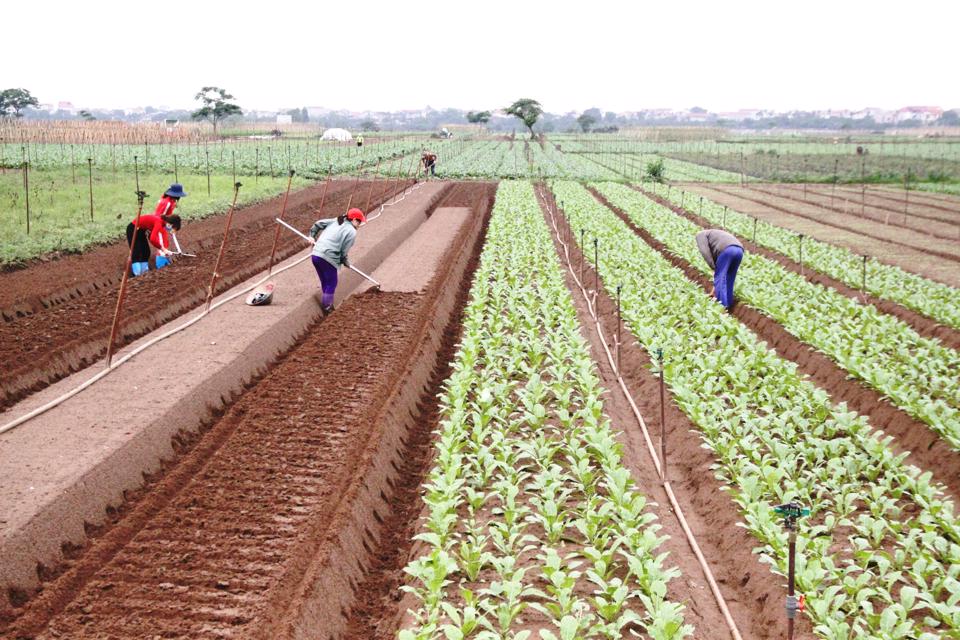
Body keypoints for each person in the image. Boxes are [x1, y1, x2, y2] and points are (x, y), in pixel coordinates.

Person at [309, 207, 366, 315]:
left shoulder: (336, 221)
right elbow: (344, 251)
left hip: (316, 255)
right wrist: (345, 261)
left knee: (325, 281)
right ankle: (327, 308)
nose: (360, 224)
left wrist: (312, 235)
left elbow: (318, 224)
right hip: (328, 258)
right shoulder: (351, 232)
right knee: (332, 282)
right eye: (359, 222)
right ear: (353, 220)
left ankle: (326, 304)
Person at [695, 229, 744, 311]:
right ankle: (728, 304)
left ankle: (722, 307)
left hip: (726, 249)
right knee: (730, 278)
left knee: (720, 277)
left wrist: (714, 267)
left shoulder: (699, 235)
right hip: (739, 250)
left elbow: (705, 252)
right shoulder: (712, 233)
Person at [126, 212, 181, 276]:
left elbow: (151, 236)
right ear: (170, 224)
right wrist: (163, 249)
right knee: (137, 252)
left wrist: (162, 248)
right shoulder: (159, 222)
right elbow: (152, 239)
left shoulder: (161, 224)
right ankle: (137, 273)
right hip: (133, 229)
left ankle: (144, 273)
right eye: (173, 228)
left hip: (141, 231)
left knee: (146, 252)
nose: (170, 230)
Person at [151, 183, 187, 269]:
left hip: (162, 223)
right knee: (161, 244)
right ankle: (161, 265)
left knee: (165, 242)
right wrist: (167, 226)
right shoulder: (167, 203)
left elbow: (167, 216)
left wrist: (169, 226)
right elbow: (161, 216)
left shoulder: (170, 201)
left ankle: (164, 261)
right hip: (158, 224)